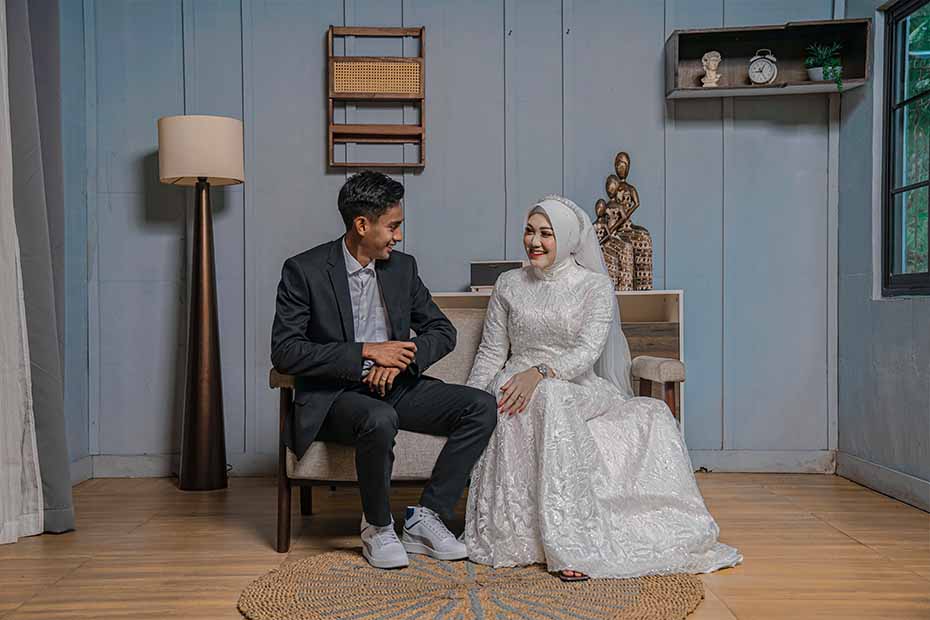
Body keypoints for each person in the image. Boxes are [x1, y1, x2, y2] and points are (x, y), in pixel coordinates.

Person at [463, 195, 742, 580]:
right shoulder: (508, 283)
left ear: (566, 238)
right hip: (516, 381)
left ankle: (578, 539)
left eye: (546, 234)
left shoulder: (594, 286)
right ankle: (544, 540)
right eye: (529, 231)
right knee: (531, 397)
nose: (534, 242)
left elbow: (586, 351)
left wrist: (541, 373)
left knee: (591, 402)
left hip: (576, 384)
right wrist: (470, 398)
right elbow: (492, 351)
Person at [271, 171, 497, 569]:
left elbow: (441, 331)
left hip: (396, 385)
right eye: (392, 226)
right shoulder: (304, 270)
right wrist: (367, 353)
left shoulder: (402, 269)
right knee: (379, 418)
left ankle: (425, 517)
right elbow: (286, 351)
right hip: (335, 395)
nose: (398, 236)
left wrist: (399, 360)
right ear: (362, 225)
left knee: (480, 406)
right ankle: (377, 527)